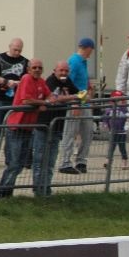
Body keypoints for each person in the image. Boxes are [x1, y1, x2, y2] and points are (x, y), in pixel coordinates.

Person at [0, 58, 49, 200]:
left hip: (28, 129)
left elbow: (50, 95)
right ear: (28, 69)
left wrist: (53, 100)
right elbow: (26, 100)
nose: (37, 70)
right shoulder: (26, 79)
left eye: (40, 68)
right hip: (15, 127)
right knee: (14, 164)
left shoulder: (41, 82)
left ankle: (7, 193)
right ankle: (1, 193)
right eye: (34, 67)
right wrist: (43, 103)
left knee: (19, 165)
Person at [35, 60, 79, 196]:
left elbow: (78, 93)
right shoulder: (50, 81)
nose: (64, 73)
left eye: (66, 71)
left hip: (57, 126)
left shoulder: (67, 81)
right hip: (43, 125)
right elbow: (55, 98)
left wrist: (80, 97)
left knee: (51, 161)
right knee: (40, 160)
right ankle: (38, 189)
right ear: (55, 71)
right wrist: (73, 97)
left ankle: (46, 189)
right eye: (61, 70)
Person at [0, 38, 29, 167]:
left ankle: (9, 157)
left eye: (19, 50)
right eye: (15, 50)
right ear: (9, 47)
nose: (17, 52)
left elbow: (28, 79)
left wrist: (18, 83)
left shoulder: (25, 62)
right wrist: (5, 82)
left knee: (11, 130)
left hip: (14, 101)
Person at [58, 37, 95, 174]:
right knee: (70, 132)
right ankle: (65, 162)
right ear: (88, 48)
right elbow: (67, 82)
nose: (91, 53)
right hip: (76, 101)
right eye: (91, 50)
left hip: (83, 100)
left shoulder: (83, 62)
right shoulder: (74, 61)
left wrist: (89, 87)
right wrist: (73, 103)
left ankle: (81, 161)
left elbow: (82, 80)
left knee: (87, 132)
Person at [102, 90, 129, 170]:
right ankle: (108, 161)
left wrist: (128, 123)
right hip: (112, 132)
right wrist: (105, 124)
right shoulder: (109, 109)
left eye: (119, 100)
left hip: (122, 132)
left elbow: (128, 116)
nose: (118, 102)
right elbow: (105, 118)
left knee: (122, 148)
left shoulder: (124, 109)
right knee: (111, 148)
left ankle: (124, 162)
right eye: (115, 100)